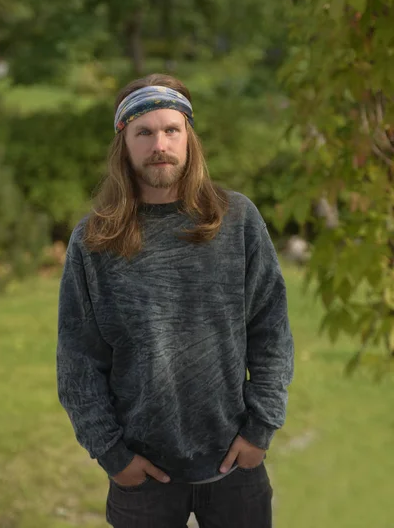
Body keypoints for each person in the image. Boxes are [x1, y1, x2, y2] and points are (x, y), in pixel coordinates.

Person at [56, 73, 294, 528]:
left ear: (189, 138)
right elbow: (77, 361)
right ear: (124, 145)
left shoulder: (236, 219)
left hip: (234, 464)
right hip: (141, 474)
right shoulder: (93, 241)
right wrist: (112, 454)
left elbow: (271, 331)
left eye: (171, 130)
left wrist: (260, 428)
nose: (159, 143)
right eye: (144, 132)